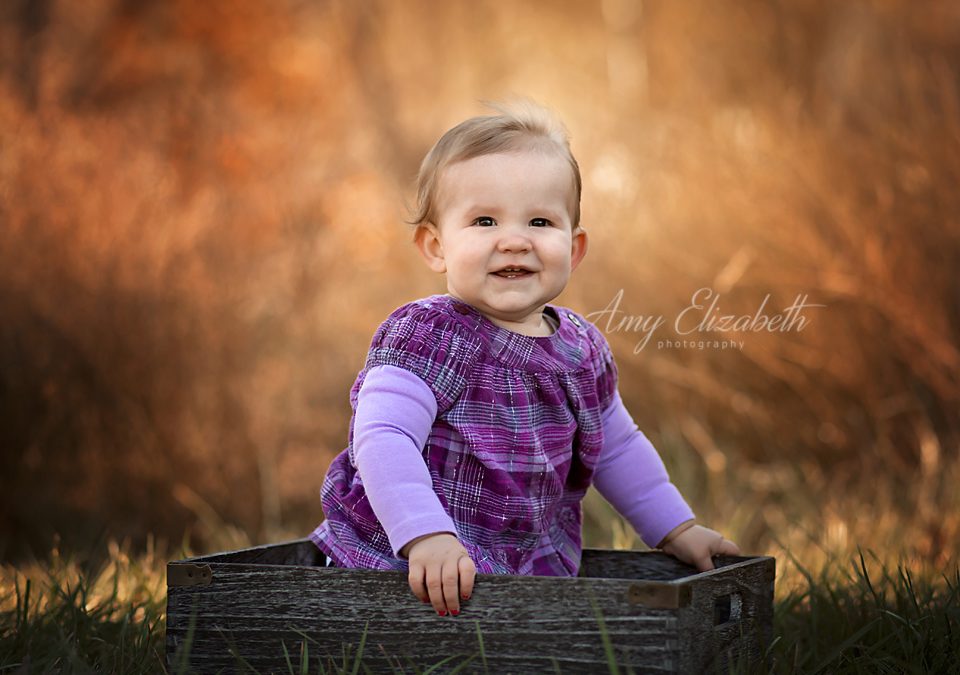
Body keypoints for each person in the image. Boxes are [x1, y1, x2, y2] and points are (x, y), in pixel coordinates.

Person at [310, 100, 740, 618]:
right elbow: (383, 438)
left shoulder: (580, 350)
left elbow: (617, 447)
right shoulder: (430, 336)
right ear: (435, 247)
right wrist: (425, 535)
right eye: (484, 220)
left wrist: (678, 528)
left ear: (574, 249)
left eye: (539, 221)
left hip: (521, 574)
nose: (514, 241)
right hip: (404, 569)